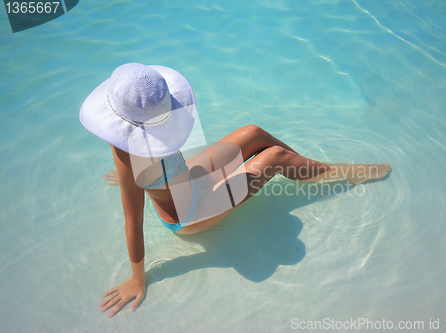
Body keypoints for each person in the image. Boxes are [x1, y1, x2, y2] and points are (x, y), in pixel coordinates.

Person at [80, 63, 391, 318]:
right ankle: (340, 173)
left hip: (189, 180)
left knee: (254, 133)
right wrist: (137, 279)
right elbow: (132, 222)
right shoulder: (127, 158)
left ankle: (310, 168)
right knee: (274, 158)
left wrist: (133, 179)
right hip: (190, 214)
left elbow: (152, 167)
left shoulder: (129, 139)